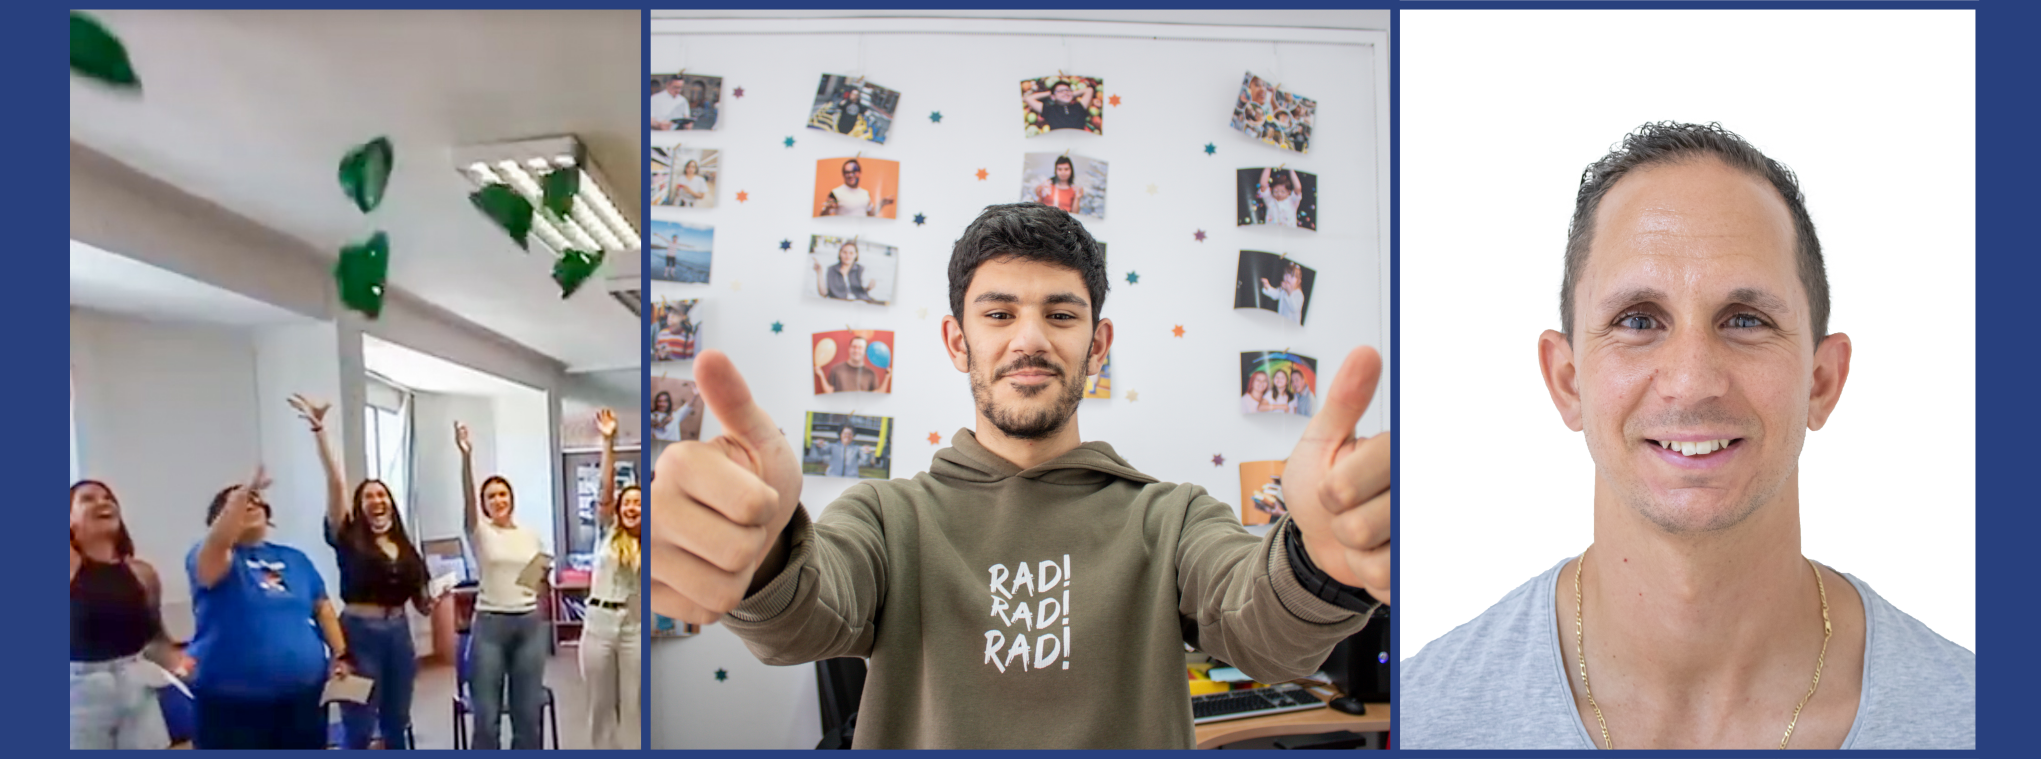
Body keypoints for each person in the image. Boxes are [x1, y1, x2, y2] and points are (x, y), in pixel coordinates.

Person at [650, 203, 1392, 748]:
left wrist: (1316, 565)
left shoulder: (1170, 518)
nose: (1029, 338)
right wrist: (763, 553)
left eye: (1060, 315)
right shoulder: (885, 515)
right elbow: (806, 613)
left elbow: (1264, 628)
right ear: (956, 339)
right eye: (998, 313)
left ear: (1097, 344)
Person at [1398, 122, 1974, 750]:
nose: (1692, 380)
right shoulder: (1425, 717)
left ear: (1821, 380)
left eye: (1746, 320)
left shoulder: (1980, 719)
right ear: (1567, 382)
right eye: (1638, 320)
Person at [294, 395, 440, 750]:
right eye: (369, 496)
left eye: (383, 495)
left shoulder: (405, 547)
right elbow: (336, 484)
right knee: (359, 722)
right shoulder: (348, 538)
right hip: (360, 633)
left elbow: (422, 603)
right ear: (359, 506)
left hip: (398, 633)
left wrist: (434, 600)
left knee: (397, 720)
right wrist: (319, 430)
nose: (378, 501)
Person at [187, 465, 351, 749]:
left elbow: (322, 607)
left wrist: (341, 653)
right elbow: (217, 547)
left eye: (255, 500)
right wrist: (237, 501)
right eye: (238, 503)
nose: (249, 503)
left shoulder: (295, 558)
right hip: (232, 704)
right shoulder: (211, 557)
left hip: (303, 700)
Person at [456, 422, 550, 750]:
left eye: (502, 493)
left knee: (527, 715)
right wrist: (466, 458)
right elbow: (467, 501)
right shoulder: (480, 533)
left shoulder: (531, 534)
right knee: (486, 715)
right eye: (491, 496)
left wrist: (534, 603)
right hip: (490, 627)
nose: (498, 499)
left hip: (527, 626)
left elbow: (538, 578)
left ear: (512, 498)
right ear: (484, 503)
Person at [71, 480, 180, 750]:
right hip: (79, 692)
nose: (102, 502)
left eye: (108, 497)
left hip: (137, 684)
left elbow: (156, 637)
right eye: (88, 499)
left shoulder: (142, 574)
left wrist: (180, 663)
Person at [583, 409, 643, 749]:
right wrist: (609, 441)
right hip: (599, 621)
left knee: (634, 702)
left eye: (640, 502)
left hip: (634, 622)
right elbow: (606, 488)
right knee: (600, 703)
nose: (633, 507)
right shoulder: (607, 531)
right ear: (618, 509)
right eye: (628, 502)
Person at [816, 334, 890, 394]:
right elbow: (830, 392)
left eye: (860, 348)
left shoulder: (871, 373)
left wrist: (887, 377)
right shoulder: (836, 369)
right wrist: (821, 375)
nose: (856, 350)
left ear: (865, 351)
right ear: (849, 348)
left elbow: (877, 395)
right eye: (854, 347)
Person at [821, 159, 893, 218]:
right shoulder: (835, 193)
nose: (850, 175)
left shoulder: (865, 193)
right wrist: (828, 208)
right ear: (843, 174)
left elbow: (870, 214)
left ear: (860, 173)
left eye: (854, 171)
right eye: (847, 172)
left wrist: (881, 203)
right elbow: (823, 217)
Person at [813, 241, 879, 303]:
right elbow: (823, 294)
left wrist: (869, 287)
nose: (847, 255)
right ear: (840, 253)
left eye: (851, 253)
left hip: (860, 302)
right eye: (844, 252)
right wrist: (819, 272)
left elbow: (866, 286)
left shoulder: (862, 269)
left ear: (856, 255)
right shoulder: (831, 270)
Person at [804, 423, 876, 478]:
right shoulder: (833, 446)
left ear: (853, 436)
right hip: (832, 477)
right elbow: (822, 452)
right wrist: (819, 446)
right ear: (840, 434)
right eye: (844, 433)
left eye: (850, 434)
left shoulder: (857, 448)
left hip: (850, 479)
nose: (847, 436)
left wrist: (867, 452)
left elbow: (865, 460)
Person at [1024, 79, 1095, 132]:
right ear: (1053, 97)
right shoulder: (1050, 110)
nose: (1065, 92)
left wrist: (1068, 95)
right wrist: (1052, 94)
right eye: (1060, 91)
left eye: (1068, 90)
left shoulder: (1079, 107)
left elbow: (1089, 90)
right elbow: (1028, 99)